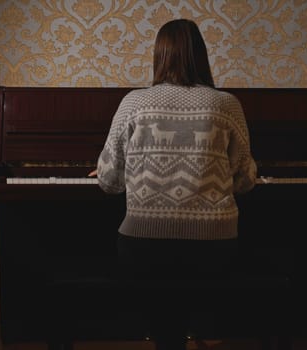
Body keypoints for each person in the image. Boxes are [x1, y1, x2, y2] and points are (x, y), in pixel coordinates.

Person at [90, 18, 257, 350]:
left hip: (145, 246)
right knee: (211, 274)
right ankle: (206, 327)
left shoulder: (132, 104)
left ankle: (168, 336)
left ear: (159, 56)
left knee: (161, 300)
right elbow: (244, 180)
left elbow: (109, 182)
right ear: (201, 55)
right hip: (212, 246)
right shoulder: (227, 104)